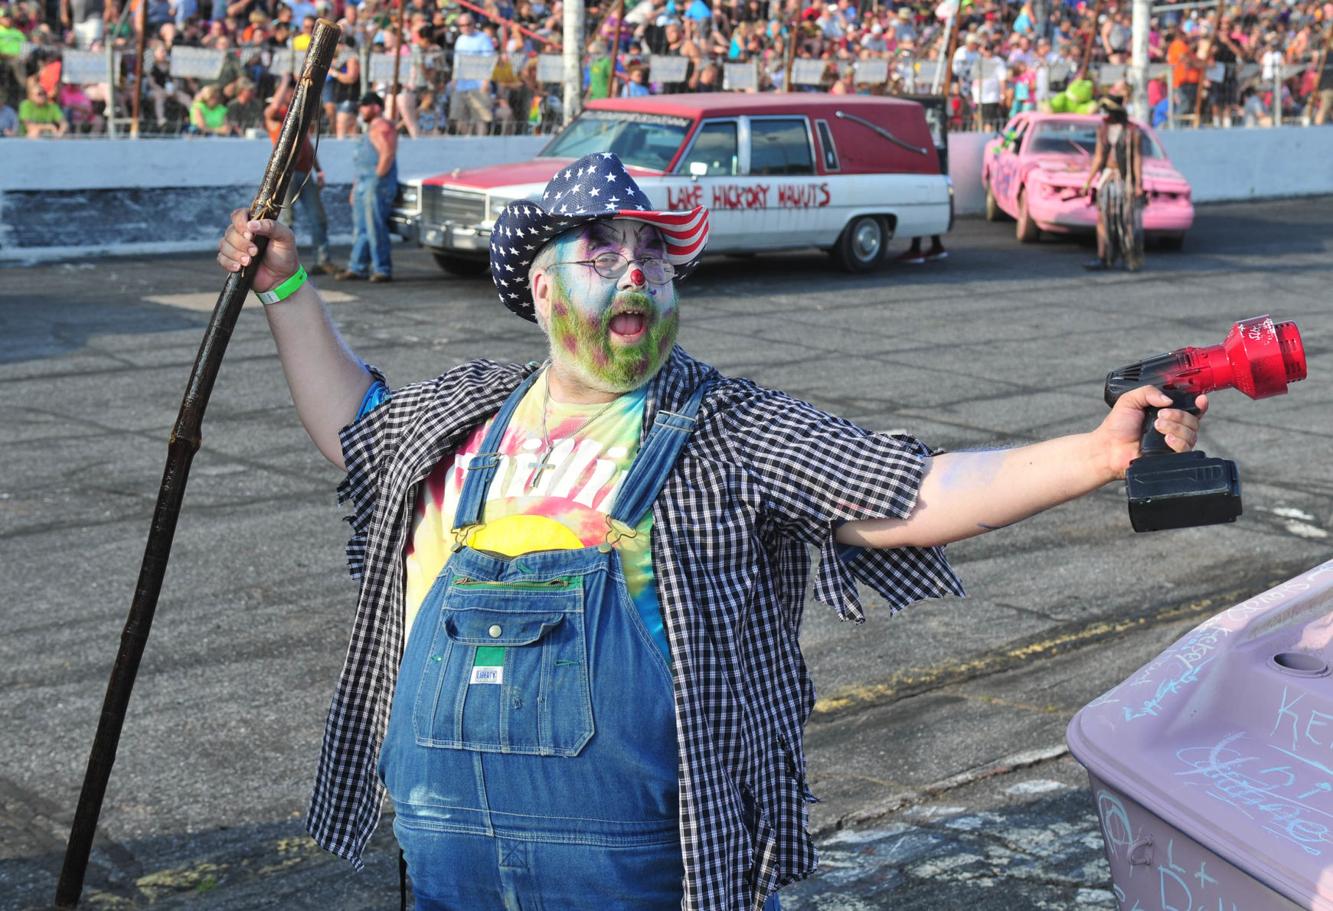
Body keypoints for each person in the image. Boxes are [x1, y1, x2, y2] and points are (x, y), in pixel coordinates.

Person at [215, 151, 1207, 910]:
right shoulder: (460, 421)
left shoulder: (725, 430)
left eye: (655, 252)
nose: (639, 271)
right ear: (543, 287)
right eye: (604, 250)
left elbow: (915, 490)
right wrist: (287, 290)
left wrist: (1096, 452)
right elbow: (357, 433)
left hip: (647, 872)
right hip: (447, 870)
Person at [265, 74, 332, 274]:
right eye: (288, 90)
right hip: (286, 172)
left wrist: (318, 170)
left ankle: (322, 260)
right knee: (286, 220)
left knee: (317, 217)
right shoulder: (277, 115)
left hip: (304, 171)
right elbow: (272, 109)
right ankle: (283, 264)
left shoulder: (297, 114)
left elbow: (307, 145)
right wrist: (285, 80)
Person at [336, 91, 397, 282]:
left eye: (365, 105)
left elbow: (387, 155)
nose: (361, 109)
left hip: (376, 184)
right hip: (364, 183)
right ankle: (358, 267)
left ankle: (382, 269)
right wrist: (356, 189)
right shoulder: (370, 129)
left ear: (376, 107)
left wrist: (376, 181)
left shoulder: (383, 126)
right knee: (361, 228)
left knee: (375, 228)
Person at [1080, 95, 1144, 272]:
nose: (1105, 114)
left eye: (1108, 111)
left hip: (1125, 179)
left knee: (1126, 218)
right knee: (1103, 218)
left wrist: (1138, 184)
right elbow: (1099, 157)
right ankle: (1104, 257)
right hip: (1107, 178)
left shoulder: (1132, 131)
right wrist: (1088, 181)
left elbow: (1137, 159)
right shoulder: (1103, 129)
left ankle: (1129, 257)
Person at [449, 12, 495, 135]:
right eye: (462, 25)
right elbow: (457, 62)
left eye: (468, 24)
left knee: (480, 118)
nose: (465, 27)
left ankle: (481, 144)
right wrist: (454, 78)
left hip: (478, 84)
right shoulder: (460, 39)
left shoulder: (483, 38)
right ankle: (469, 139)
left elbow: (489, 61)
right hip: (461, 84)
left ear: (474, 24)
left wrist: (486, 81)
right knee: (458, 117)